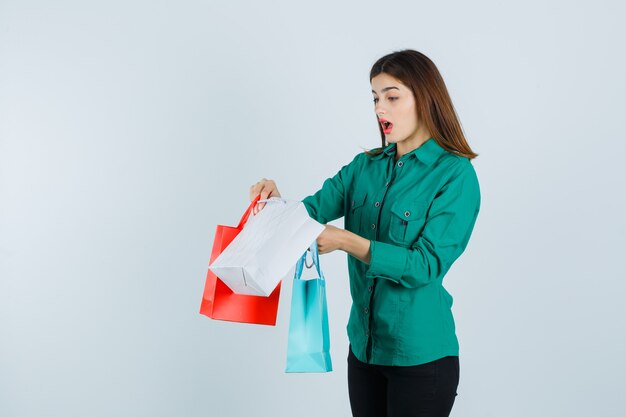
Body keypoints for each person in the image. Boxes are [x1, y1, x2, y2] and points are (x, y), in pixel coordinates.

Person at [249, 49, 481, 417]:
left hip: (421, 358)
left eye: (392, 97)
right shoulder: (364, 167)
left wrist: (346, 242)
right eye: (375, 98)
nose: (379, 109)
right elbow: (308, 213)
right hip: (364, 350)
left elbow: (426, 265)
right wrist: (275, 204)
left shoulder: (454, 175)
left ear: (425, 98)